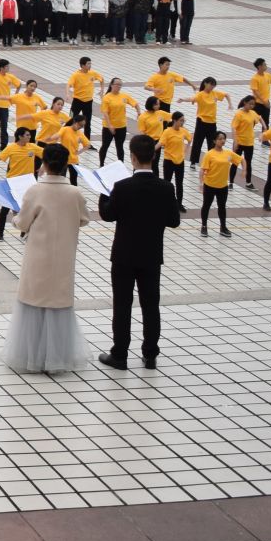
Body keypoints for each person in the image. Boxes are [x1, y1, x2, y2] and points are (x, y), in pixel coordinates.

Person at [0, 144, 91, 374]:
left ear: (44, 164)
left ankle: (31, 356)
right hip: (64, 256)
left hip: (37, 255)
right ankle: (57, 357)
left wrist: (15, 215)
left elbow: (22, 223)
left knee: (34, 302)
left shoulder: (34, 191)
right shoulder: (75, 193)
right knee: (58, 303)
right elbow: (83, 219)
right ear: (65, 165)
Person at [96, 134, 181, 371]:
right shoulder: (166, 187)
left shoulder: (122, 187)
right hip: (152, 254)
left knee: (122, 304)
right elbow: (174, 221)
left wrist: (104, 193)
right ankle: (150, 354)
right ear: (153, 156)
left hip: (124, 254)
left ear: (132, 157)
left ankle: (120, 354)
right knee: (150, 304)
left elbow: (108, 214)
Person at [196, 132, 241, 238]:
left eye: (224, 139)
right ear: (214, 141)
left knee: (222, 207)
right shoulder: (209, 154)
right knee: (206, 206)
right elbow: (202, 170)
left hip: (222, 186)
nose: (222, 141)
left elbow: (241, 160)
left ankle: (223, 227)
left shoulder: (228, 153)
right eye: (220, 139)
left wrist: (245, 171)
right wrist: (201, 183)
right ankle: (204, 226)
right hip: (210, 185)